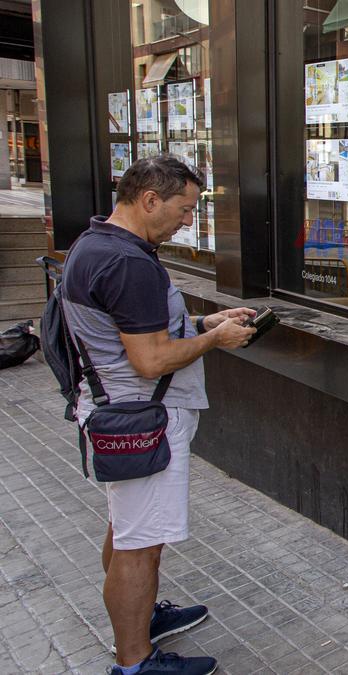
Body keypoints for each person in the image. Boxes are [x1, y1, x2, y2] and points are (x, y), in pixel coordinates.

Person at [60, 156, 257, 675]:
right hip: (142, 419)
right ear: (150, 199)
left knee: (127, 529)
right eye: (184, 208)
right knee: (140, 546)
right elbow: (149, 359)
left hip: (119, 412)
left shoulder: (98, 243)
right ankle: (135, 662)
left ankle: (139, 620)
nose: (188, 220)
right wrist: (217, 337)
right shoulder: (126, 262)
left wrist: (200, 320)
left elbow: (136, 330)